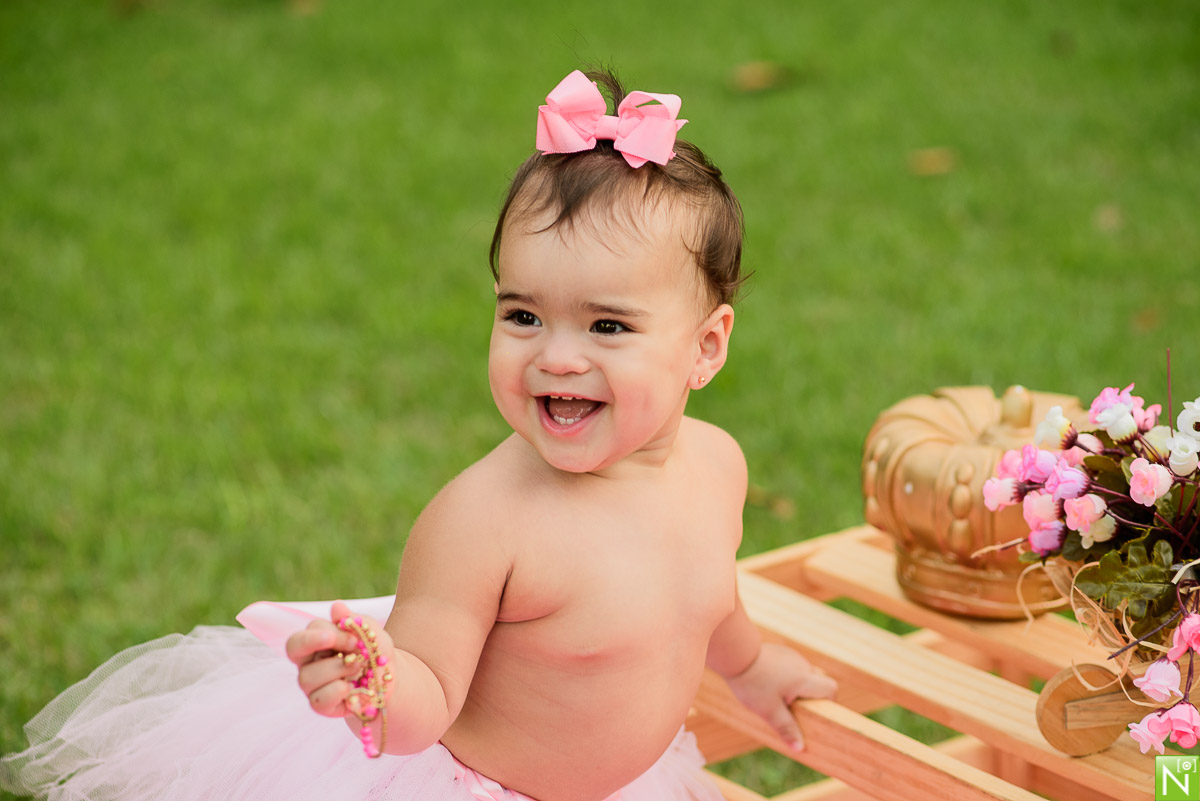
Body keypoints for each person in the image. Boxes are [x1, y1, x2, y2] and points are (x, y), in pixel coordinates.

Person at [1, 68, 835, 801]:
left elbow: (706, 598)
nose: (557, 356)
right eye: (524, 314)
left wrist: (750, 667)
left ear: (706, 347)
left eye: (608, 325)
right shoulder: (484, 520)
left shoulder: (717, 466)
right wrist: (380, 689)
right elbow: (431, 689)